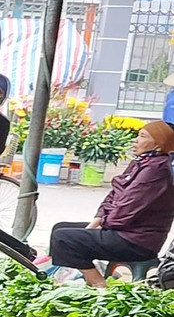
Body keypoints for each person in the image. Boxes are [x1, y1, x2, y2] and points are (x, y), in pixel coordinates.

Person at [48, 121, 174, 286]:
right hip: (123, 230)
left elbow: (126, 210)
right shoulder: (142, 163)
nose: (135, 140)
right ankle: (68, 275)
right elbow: (114, 193)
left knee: (64, 238)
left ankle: (98, 285)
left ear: (159, 144)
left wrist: (104, 224)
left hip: (136, 242)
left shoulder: (156, 171)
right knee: (60, 228)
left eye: (143, 136)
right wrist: (96, 221)